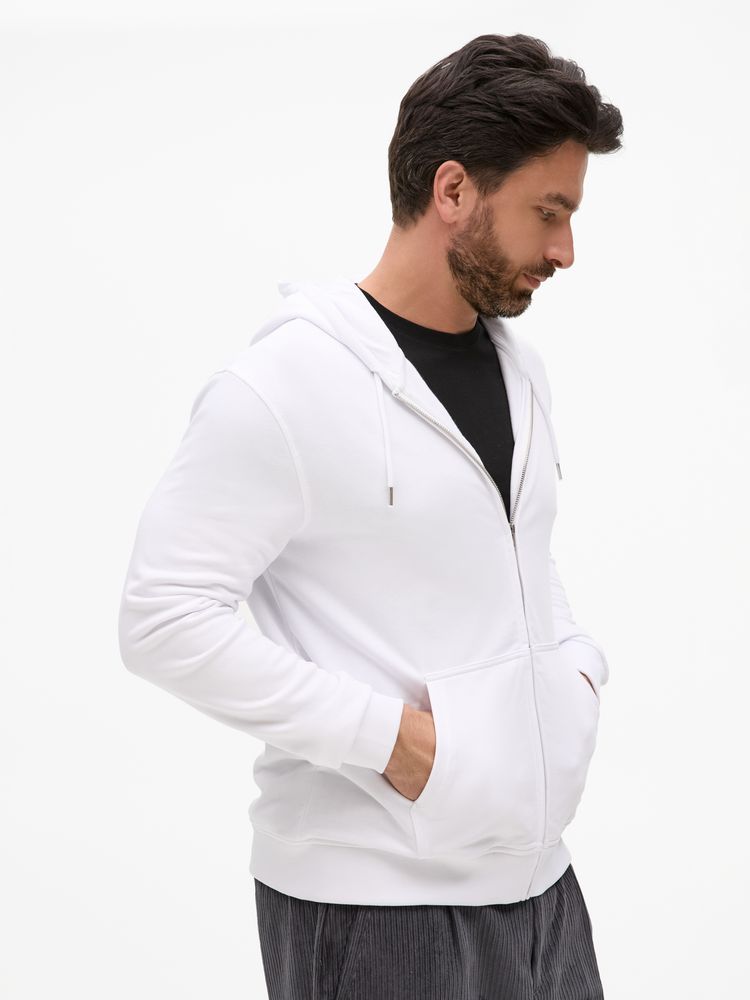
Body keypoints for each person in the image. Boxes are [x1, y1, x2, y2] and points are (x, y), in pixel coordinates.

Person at [118, 31, 623, 1000]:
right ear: (453, 190)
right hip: (374, 906)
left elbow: (518, 549)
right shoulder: (285, 386)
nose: (565, 250)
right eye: (548, 211)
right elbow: (163, 617)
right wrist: (390, 738)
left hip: (540, 885)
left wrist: (575, 671)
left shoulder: (521, 371)